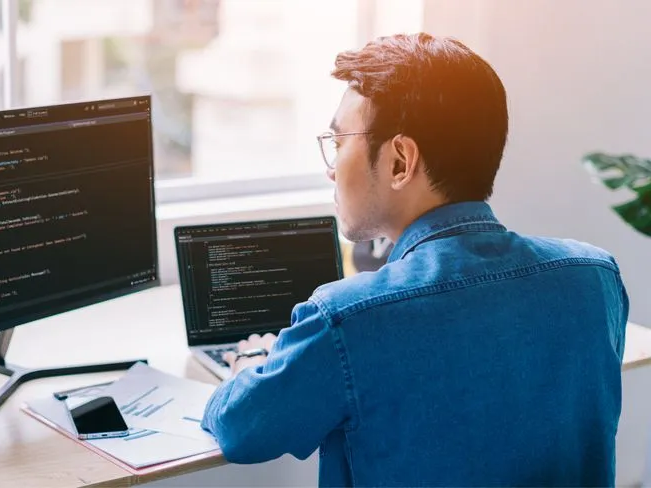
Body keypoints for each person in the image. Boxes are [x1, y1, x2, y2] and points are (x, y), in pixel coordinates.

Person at [200, 33, 629, 487]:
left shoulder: (346, 319)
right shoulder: (595, 279)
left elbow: (241, 429)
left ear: (401, 161)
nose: (331, 165)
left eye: (338, 140)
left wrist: (248, 363)